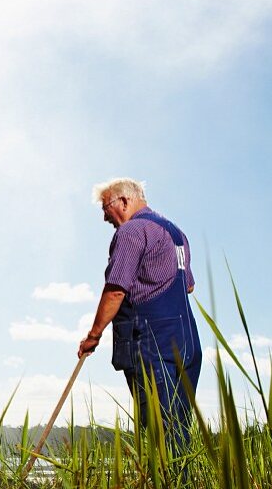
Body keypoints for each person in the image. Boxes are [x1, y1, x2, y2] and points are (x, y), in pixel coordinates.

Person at [77, 178, 202, 457]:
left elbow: (116, 291)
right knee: (178, 427)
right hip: (187, 342)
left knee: (160, 429)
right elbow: (189, 285)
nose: (104, 216)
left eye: (105, 206)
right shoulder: (176, 233)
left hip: (152, 342)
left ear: (124, 201)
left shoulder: (132, 231)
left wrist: (93, 336)